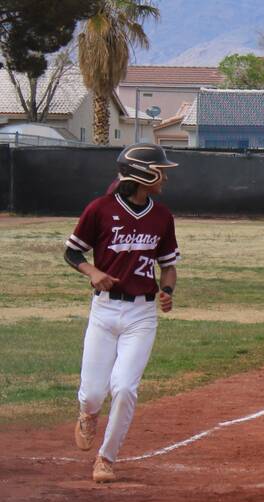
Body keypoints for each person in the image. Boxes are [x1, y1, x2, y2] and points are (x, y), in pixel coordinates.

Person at [65, 144, 181, 483]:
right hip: (104, 311)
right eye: (161, 170)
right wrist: (93, 273)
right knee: (93, 393)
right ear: (143, 174)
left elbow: (169, 267)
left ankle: (106, 458)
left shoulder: (162, 216)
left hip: (141, 316)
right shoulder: (100, 209)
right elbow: (72, 253)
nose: (166, 176)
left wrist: (168, 290)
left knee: (126, 388)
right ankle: (88, 413)